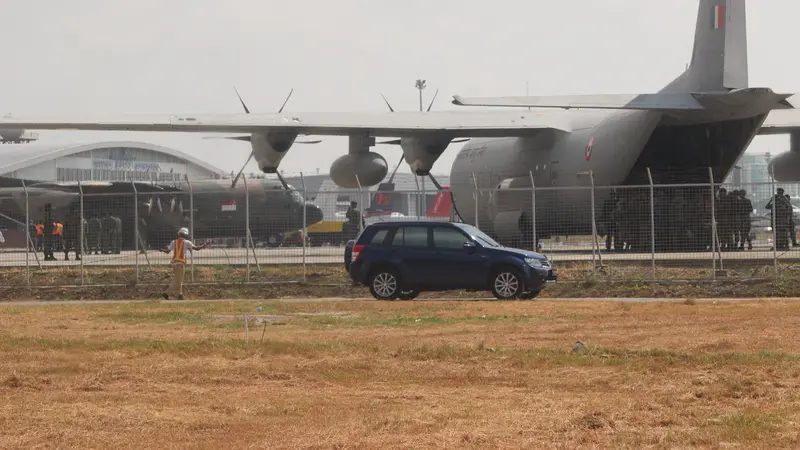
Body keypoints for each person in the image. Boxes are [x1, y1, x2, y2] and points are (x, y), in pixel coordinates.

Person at [160, 228, 210, 300]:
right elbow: (196, 248)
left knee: (178, 280)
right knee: (179, 280)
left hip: (174, 264)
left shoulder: (174, 242)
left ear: (179, 234)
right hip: (180, 264)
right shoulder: (187, 242)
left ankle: (180, 295)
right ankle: (166, 293)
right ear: (185, 234)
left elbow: (167, 251)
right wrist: (204, 244)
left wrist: (162, 250)